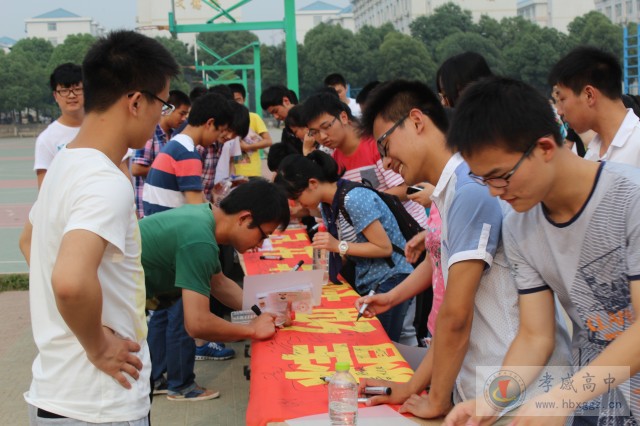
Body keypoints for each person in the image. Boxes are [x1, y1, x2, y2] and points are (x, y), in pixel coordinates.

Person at [354, 79, 571, 419]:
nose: (385, 162)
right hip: (489, 389)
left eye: (385, 144)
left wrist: (436, 399)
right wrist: (413, 388)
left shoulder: (470, 189)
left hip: (514, 393)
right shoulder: (451, 191)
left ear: (416, 120)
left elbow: (456, 316)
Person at [444, 75, 640, 425]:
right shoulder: (521, 224)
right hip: (597, 403)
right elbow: (536, 336)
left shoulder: (631, 198)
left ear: (545, 148)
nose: (494, 192)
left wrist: (563, 397)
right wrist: (490, 400)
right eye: (484, 180)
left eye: (500, 175)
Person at [18, 30, 179, 424]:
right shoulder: (105, 180)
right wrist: (97, 346)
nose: (162, 115)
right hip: (100, 403)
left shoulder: (65, 163)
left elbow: (29, 241)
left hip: (57, 393)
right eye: (163, 103)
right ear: (137, 101)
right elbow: (70, 282)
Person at [140, 179, 288, 401]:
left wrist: (264, 310)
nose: (260, 245)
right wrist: (252, 330)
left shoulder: (204, 217)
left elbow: (218, 282)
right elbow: (197, 324)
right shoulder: (200, 240)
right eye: (262, 236)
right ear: (245, 218)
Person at [275, 151, 413, 342]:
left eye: (297, 198)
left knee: (382, 343)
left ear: (313, 184)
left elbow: (383, 248)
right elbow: (350, 247)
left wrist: (338, 246)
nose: (299, 205)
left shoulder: (353, 198)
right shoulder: (328, 204)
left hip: (392, 279)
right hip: (372, 280)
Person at [142, 93, 234, 216]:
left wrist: (224, 217)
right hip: (170, 229)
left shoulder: (176, 144)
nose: (218, 137)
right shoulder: (187, 154)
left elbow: (201, 199)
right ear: (210, 123)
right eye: (220, 131)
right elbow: (196, 212)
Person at [549, 46, 640, 165]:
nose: (559, 111)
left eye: (562, 99)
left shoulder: (636, 144)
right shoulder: (593, 152)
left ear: (589, 95)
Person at [132, 90, 191, 218]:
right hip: (147, 209)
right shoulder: (150, 133)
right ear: (168, 109)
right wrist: (167, 170)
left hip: (165, 207)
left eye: (186, 114)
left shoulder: (174, 136)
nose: (184, 118)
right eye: (181, 113)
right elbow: (136, 169)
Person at [33, 63, 84, 189]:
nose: (71, 95)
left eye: (77, 89)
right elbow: (44, 189)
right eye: (64, 91)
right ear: (55, 96)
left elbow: (122, 169)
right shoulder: (46, 140)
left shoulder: (104, 127)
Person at [228, 82, 273, 178]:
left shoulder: (254, 118)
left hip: (253, 172)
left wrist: (248, 147)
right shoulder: (225, 121)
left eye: (238, 99)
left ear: (244, 99)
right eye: (232, 100)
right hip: (232, 173)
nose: (236, 103)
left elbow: (268, 141)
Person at [261, 85, 303, 154]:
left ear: (286, 101)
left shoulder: (310, 120)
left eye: (276, 111)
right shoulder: (286, 133)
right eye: (272, 114)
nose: (276, 117)